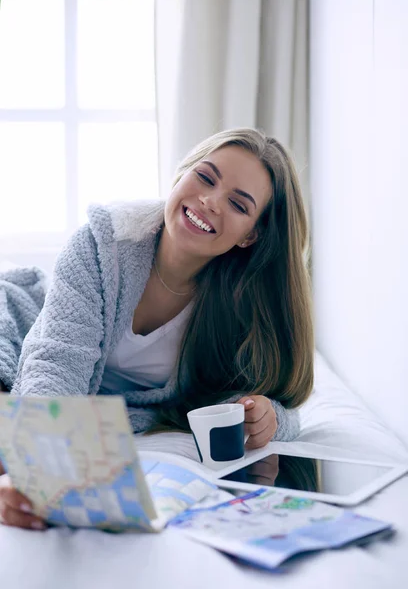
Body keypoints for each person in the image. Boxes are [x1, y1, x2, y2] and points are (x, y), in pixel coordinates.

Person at [0, 127, 314, 531]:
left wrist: (272, 419)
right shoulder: (105, 244)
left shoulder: (239, 307)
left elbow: (284, 402)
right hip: (17, 334)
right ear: (181, 174)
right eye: (204, 177)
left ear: (250, 235)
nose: (209, 201)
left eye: (237, 204)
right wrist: (38, 468)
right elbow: (54, 364)